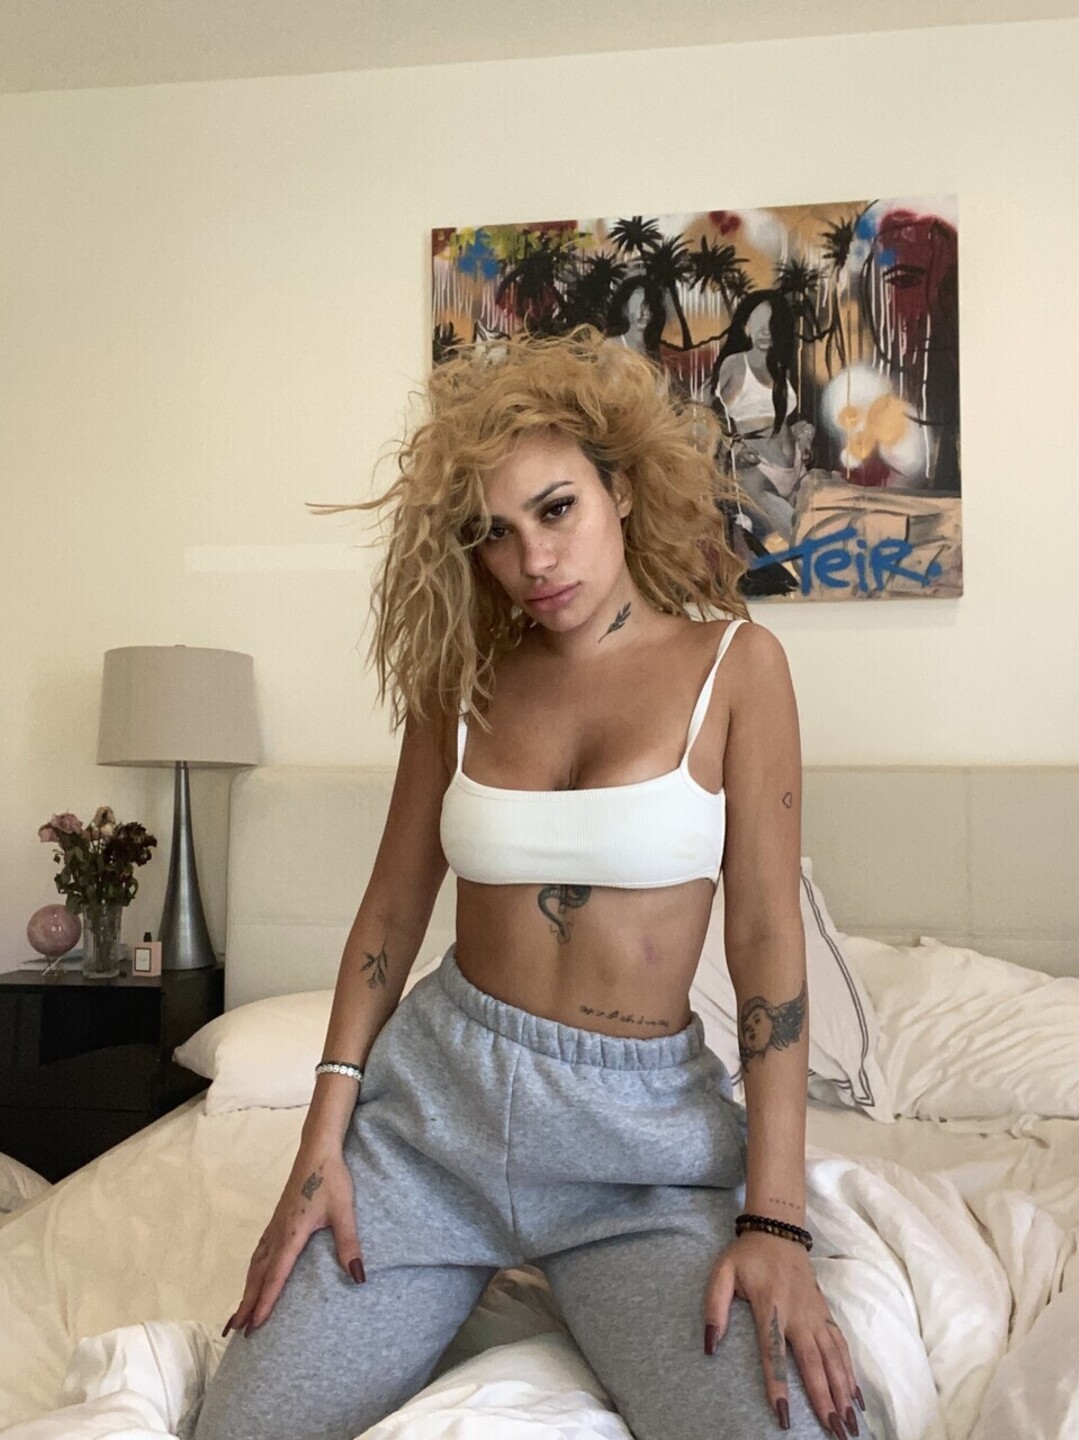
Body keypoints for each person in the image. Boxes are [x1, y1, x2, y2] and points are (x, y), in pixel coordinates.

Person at [181, 327, 863, 1440]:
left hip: (636, 1157)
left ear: (622, 490)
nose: (533, 561)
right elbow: (391, 913)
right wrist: (320, 1144)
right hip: (430, 1129)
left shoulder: (736, 668)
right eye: (493, 534)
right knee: (245, 1427)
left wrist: (776, 1219)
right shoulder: (458, 681)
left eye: (556, 510)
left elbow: (766, 940)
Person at [710, 290, 815, 544]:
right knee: (800, 538)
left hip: (795, 469)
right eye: (759, 322)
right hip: (756, 471)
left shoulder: (779, 367)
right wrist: (733, 449)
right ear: (745, 326)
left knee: (823, 524)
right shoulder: (735, 364)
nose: (766, 331)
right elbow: (706, 416)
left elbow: (777, 421)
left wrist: (803, 434)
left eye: (772, 324)